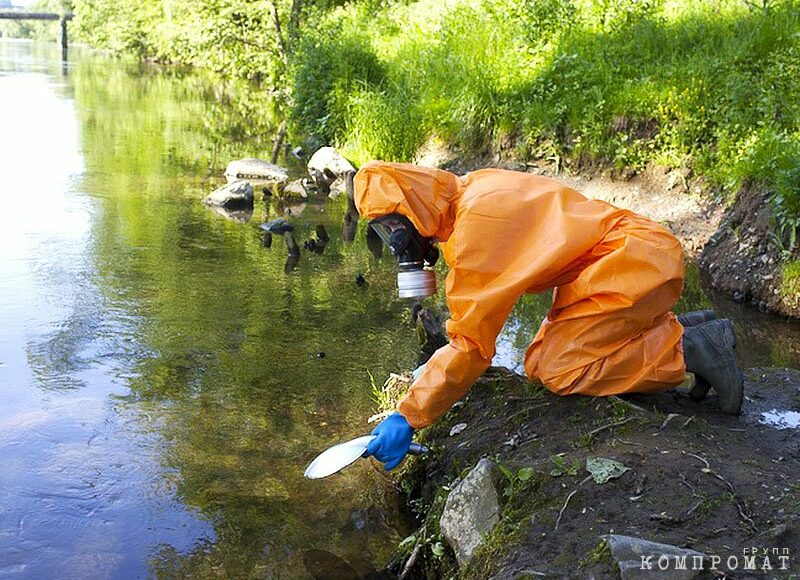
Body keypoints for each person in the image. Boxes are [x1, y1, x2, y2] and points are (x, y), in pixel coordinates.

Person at [355, 162, 744, 471]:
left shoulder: (474, 235)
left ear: (410, 206)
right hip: (630, 256)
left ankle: (690, 347)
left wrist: (408, 416)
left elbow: (471, 346)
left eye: (392, 227)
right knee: (539, 360)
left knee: (559, 369)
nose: (395, 241)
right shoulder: (474, 188)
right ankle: (691, 327)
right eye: (384, 231)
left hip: (631, 263)